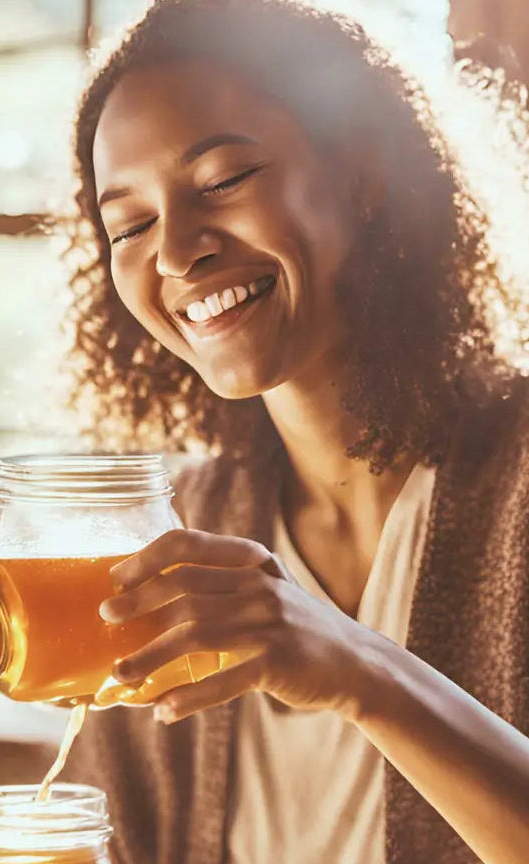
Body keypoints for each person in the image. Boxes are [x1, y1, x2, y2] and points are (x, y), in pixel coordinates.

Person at [58, 1, 529, 862]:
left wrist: (361, 672)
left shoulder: (518, 484)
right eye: (129, 225)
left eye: (224, 179)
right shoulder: (172, 534)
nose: (175, 253)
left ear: (364, 175)